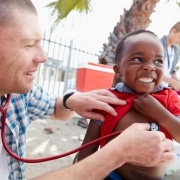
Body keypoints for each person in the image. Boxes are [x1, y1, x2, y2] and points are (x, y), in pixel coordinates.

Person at [0, 1, 174, 180]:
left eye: (158, 61)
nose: (43, 57)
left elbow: (58, 107)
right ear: (118, 70)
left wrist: (71, 100)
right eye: (28, 44)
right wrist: (118, 153)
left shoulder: (17, 95)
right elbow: (86, 152)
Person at [76, 30, 180, 180]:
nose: (150, 67)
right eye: (138, 59)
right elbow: (87, 149)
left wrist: (159, 113)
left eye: (158, 61)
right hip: (111, 176)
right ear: (118, 70)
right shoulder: (108, 99)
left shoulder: (168, 97)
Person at [160, 22, 180, 91]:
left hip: (164, 88)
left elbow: (172, 71)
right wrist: (172, 82)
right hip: (153, 88)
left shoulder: (176, 50)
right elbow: (154, 70)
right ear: (173, 31)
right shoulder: (158, 45)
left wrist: (176, 80)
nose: (179, 41)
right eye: (179, 37)